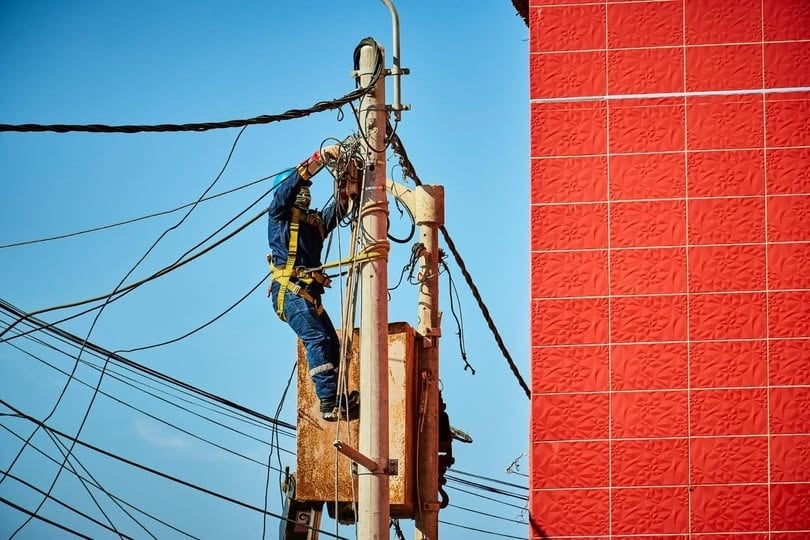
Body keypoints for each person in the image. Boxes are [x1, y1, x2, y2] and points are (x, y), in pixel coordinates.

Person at [267, 140, 361, 422]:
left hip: (308, 294)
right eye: (301, 189)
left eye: (307, 190)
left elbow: (340, 207)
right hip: (289, 292)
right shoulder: (279, 216)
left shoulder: (314, 223)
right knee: (317, 339)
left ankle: (337, 399)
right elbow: (287, 191)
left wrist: (348, 183)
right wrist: (318, 159)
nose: (305, 193)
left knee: (332, 344)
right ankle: (328, 402)